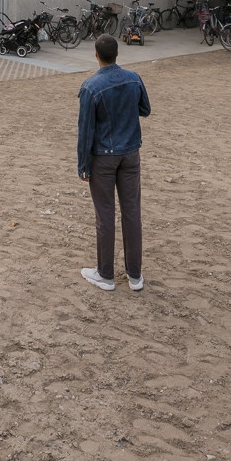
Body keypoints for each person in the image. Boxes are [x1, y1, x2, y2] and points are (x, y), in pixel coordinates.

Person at [77, 34, 151, 291]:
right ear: (117, 54)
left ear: (96, 55)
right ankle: (135, 275)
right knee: (132, 212)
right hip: (130, 153)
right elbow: (145, 109)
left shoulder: (90, 86)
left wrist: (82, 163)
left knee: (105, 215)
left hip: (103, 157)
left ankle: (105, 274)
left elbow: (85, 129)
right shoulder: (134, 78)